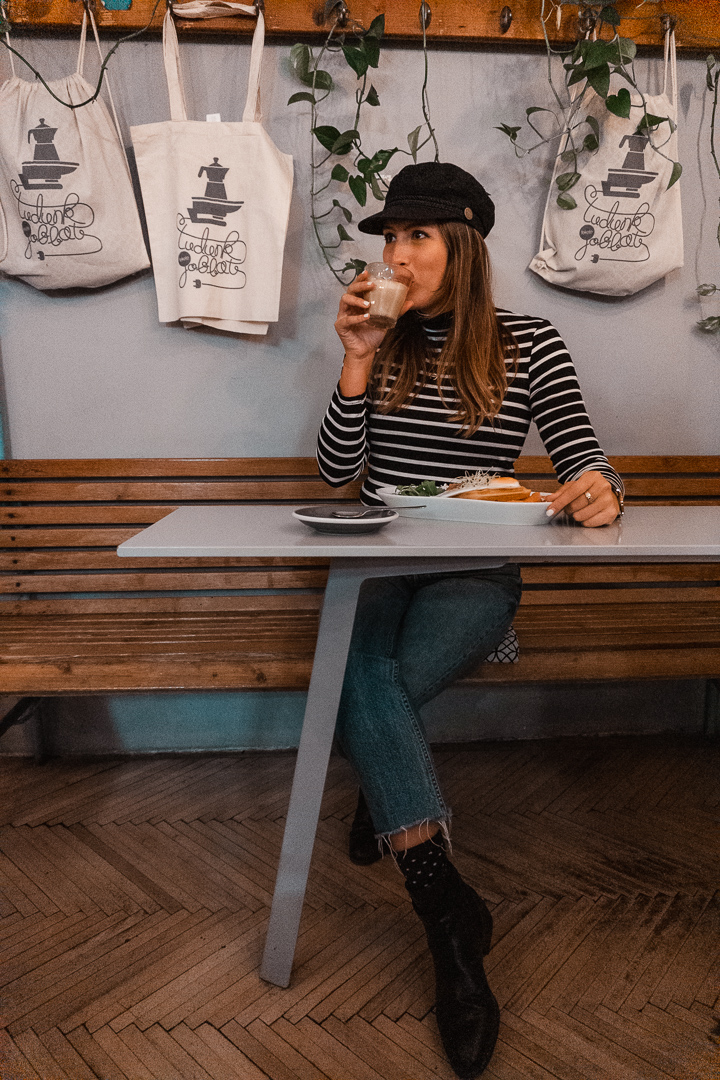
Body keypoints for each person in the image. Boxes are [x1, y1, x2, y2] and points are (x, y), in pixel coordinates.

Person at [316, 161, 624, 1080]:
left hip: (474, 571)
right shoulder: (384, 336)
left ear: (464, 247)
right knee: (365, 673)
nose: (396, 255)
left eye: (417, 237)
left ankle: (385, 787)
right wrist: (358, 358)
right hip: (375, 565)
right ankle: (449, 917)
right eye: (390, 238)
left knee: (366, 689)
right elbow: (338, 475)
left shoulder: (530, 343)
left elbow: (584, 456)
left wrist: (606, 489)